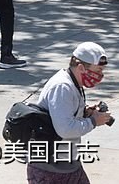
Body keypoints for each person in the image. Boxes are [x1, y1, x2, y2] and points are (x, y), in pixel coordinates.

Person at [28, 42, 113, 183]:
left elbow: (64, 113)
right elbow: (65, 129)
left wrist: (85, 112)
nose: (100, 75)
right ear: (81, 67)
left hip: (67, 162)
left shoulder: (73, 83)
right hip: (50, 167)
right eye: (97, 70)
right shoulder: (63, 87)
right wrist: (93, 121)